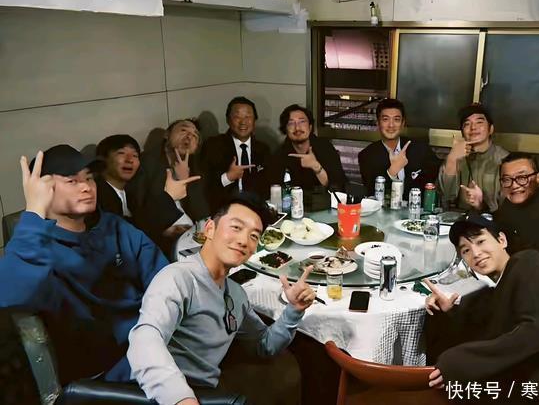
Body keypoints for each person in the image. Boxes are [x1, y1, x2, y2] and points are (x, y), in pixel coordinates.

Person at [124, 193, 316, 405]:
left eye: (254, 236)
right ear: (209, 229)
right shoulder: (178, 278)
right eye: (236, 227)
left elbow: (264, 345)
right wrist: (181, 398)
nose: (243, 240)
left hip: (210, 393)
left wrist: (294, 309)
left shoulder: (235, 294)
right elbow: (145, 338)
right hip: (164, 396)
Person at [0, 145, 168, 384]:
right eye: (72, 181)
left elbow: (163, 278)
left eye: (89, 178)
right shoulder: (37, 247)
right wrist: (35, 210)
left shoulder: (113, 226)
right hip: (110, 371)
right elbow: (10, 295)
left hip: (155, 339)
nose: (87, 187)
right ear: (44, 190)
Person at [424, 213, 539, 401]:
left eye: (480, 241)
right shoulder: (504, 282)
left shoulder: (530, 263)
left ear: (502, 240)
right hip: (529, 381)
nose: (476, 253)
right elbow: (484, 319)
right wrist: (450, 310)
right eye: (466, 250)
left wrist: (462, 361)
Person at [130, 118, 209, 258]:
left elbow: (201, 211)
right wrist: (163, 230)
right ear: (167, 134)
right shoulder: (146, 163)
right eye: (183, 130)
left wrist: (185, 180)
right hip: (158, 236)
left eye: (195, 135)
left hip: (191, 234)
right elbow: (137, 209)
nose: (189, 136)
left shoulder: (197, 165)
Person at [358, 98, 440, 200]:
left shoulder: (420, 149)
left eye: (396, 119)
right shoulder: (367, 156)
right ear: (378, 123)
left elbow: (436, 180)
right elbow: (372, 194)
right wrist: (392, 171)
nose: (391, 125)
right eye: (385, 119)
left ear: (403, 123)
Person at [200, 97, 270, 212]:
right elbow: (204, 186)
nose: (243, 122)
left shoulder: (263, 149)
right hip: (224, 210)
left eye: (248, 117)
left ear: (254, 121)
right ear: (228, 120)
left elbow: (268, 185)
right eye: (237, 117)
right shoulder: (213, 146)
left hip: (257, 210)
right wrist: (228, 177)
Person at [438, 103, 509, 212]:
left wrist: (480, 205)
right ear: (462, 133)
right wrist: (452, 160)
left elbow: (508, 204)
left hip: (491, 219)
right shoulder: (457, 154)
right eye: (467, 124)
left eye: (479, 122)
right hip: (456, 217)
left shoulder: (504, 159)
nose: (473, 127)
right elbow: (444, 197)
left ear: (490, 129)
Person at [266, 104, 347, 191]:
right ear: (285, 129)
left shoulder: (325, 147)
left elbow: (338, 187)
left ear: (310, 127)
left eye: (302, 122)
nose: (297, 127)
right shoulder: (279, 155)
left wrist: (316, 167)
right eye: (291, 123)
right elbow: (274, 190)